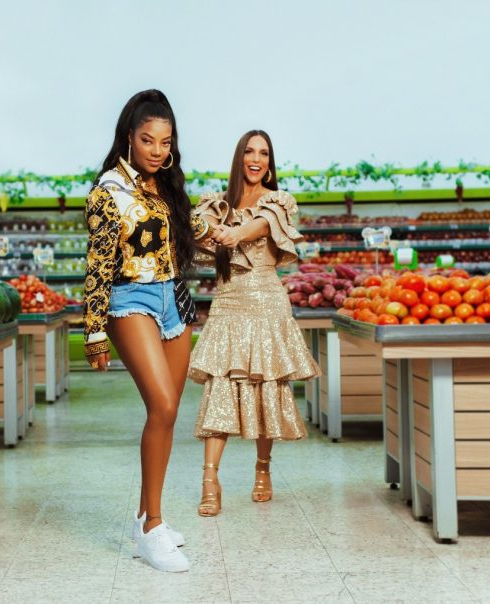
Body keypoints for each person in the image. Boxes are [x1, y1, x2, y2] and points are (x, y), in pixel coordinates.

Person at [83, 89, 210, 571]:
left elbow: (181, 245)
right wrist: (94, 331)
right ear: (129, 139)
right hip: (128, 298)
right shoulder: (107, 192)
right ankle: (152, 527)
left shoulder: (168, 186)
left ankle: (145, 519)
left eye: (166, 142)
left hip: (172, 298)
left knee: (170, 411)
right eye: (148, 140)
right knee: (161, 404)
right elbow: (97, 267)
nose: (157, 150)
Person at [188, 129, 321, 517]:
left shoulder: (276, 202)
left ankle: (263, 471)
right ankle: (209, 480)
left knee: (264, 387)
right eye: (249, 151)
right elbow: (199, 236)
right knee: (220, 388)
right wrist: (198, 228)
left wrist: (228, 233)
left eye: (264, 153)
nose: (256, 158)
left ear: (270, 161)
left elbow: (256, 228)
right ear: (239, 156)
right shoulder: (216, 203)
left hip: (266, 302)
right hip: (229, 302)